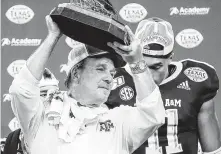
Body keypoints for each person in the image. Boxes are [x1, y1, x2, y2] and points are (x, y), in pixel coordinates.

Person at [8, 14, 166, 154]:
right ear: (76, 73)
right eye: (100, 69)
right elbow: (21, 90)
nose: (109, 78)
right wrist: (53, 37)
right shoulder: (43, 114)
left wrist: (137, 62)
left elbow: (153, 115)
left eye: (112, 73)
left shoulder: (118, 120)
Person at [106, 17, 221, 154]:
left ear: (171, 57)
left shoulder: (195, 79)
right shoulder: (113, 81)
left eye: (156, 67)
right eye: (144, 66)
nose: (149, 76)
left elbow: (213, 151)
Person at [3, 68, 60, 154]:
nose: (51, 99)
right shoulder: (13, 139)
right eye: (44, 94)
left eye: (55, 94)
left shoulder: (68, 133)